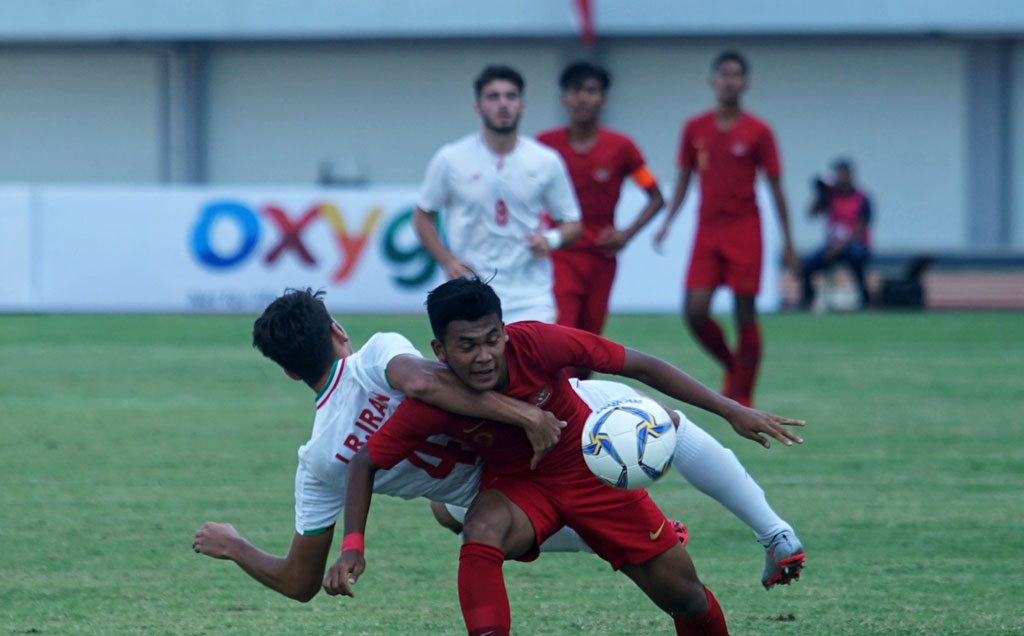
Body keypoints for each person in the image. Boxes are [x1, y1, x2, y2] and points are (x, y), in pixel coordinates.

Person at [324, 278, 804, 636]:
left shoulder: (539, 343)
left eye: (492, 339)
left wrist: (732, 409)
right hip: (519, 487)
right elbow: (364, 462)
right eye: (466, 346)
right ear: (440, 350)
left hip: (591, 471)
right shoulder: (432, 400)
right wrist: (353, 544)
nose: (484, 355)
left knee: (686, 596)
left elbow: (640, 364)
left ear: (506, 333)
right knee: (480, 527)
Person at [193, 288, 805, 597]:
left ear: (288, 371)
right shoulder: (378, 354)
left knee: (450, 512)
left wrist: (237, 545)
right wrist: (525, 413)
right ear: (338, 332)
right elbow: (427, 384)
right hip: (541, 434)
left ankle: (649, 531)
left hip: (490, 492)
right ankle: (772, 531)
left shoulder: (317, 460)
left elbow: (300, 580)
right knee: (661, 425)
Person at [654, 50, 799, 408]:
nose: (730, 81)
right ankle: (733, 366)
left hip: (745, 229)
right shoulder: (695, 128)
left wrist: (789, 242)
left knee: (744, 311)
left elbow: (777, 187)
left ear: (746, 83)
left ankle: (744, 392)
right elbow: (684, 179)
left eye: (737, 75)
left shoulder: (759, 131)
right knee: (695, 311)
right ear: (712, 81)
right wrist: (668, 222)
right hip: (708, 231)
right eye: (724, 74)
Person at [413, 64, 582, 324]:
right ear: (478, 106)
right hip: (472, 291)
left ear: (522, 105)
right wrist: (447, 261)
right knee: (474, 363)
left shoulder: (545, 160)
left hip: (531, 295)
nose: (503, 104)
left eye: (511, 96)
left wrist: (551, 239)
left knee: (537, 364)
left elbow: (572, 222)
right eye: (493, 97)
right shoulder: (451, 158)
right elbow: (423, 217)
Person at [536, 62, 665, 346]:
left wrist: (626, 234)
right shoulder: (544, 146)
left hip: (601, 256)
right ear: (564, 98)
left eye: (591, 91)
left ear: (603, 99)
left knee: (589, 342)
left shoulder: (622, 147)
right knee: (561, 335)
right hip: (560, 254)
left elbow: (655, 196)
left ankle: (579, 390)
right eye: (576, 90)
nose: (583, 98)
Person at [800, 158, 873, 309]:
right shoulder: (831, 197)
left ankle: (865, 300)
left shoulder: (862, 198)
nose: (840, 178)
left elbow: (859, 231)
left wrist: (839, 248)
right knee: (806, 266)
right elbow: (811, 214)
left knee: (857, 259)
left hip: (853, 246)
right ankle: (807, 300)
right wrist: (821, 193)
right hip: (831, 246)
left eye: (842, 174)